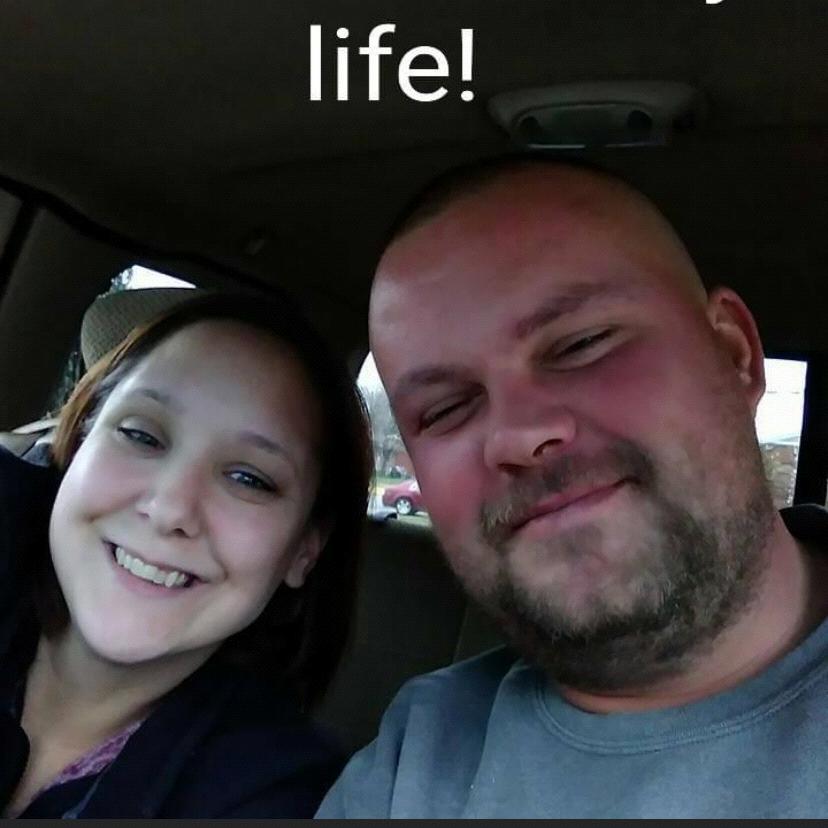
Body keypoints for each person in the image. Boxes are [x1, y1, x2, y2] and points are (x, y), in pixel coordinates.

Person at [317, 156, 828, 818]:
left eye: (581, 344)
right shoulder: (413, 760)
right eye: (444, 409)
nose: (517, 436)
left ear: (735, 356)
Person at [0, 289, 372, 817]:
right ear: (80, 442)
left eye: (249, 478)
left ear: (304, 552)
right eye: (141, 436)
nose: (169, 508)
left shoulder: (281, 797)